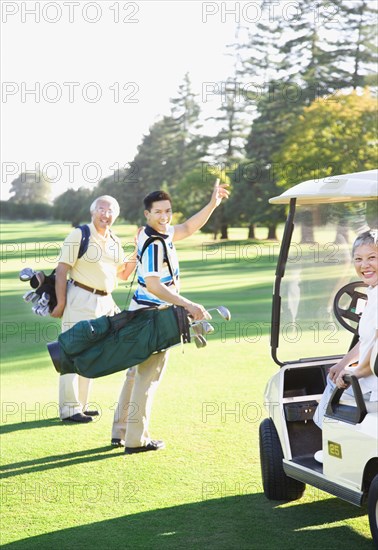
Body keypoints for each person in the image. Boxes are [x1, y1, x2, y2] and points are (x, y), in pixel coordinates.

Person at [111, 180, 229, 453]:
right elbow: (153, 284)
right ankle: (136, 440)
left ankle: (120, 431)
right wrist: (188, 304)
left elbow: (188, 227)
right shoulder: (154, 242)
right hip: (152, 317)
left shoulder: (155, 233)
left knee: (134, 374)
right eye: (159, 212)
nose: (165, 217)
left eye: (168, 211)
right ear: (147, 215)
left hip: (139, 312)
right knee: (147, 376)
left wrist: (212, 204)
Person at [51, 195, 136, 422]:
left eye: (110, 211)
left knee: (92, 353)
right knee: (71, 352)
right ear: (93, 211)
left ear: (115, 216)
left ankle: (82, 405)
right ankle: (69, 410)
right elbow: (61, 270)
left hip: (105, 302)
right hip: (80, 298)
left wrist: (138, 248)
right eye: (101, 209)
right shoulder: (79, 234)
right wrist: (60, 303)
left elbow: (123, 274)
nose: (105, 215)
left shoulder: (115, 241)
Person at [313, 230, 378, 460]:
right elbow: (367, 340)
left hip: (374, 385)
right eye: (358, 259)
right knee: (334, 377)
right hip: (371, 376)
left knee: (330, 397)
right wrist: (342, 364)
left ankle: (335, 453)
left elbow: (375, 355)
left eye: (372, 257)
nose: (364, 265)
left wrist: (354, 373)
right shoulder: (372, 293)